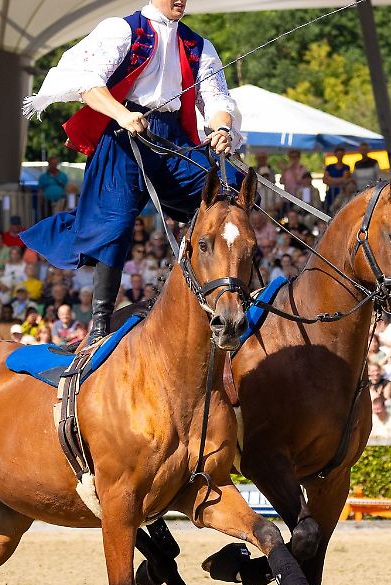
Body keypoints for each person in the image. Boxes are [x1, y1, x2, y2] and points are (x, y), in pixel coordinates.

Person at [20, 0, 239, 346]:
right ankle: (99, 324)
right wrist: (122, 114)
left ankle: (224, 292)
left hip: (171, 142)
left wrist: (222, 129)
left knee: (230, 191)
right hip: (123, 137)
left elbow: (216, 100)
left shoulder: (199, 46)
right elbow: (89, 83)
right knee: (115, 226)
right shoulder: (123, 29)